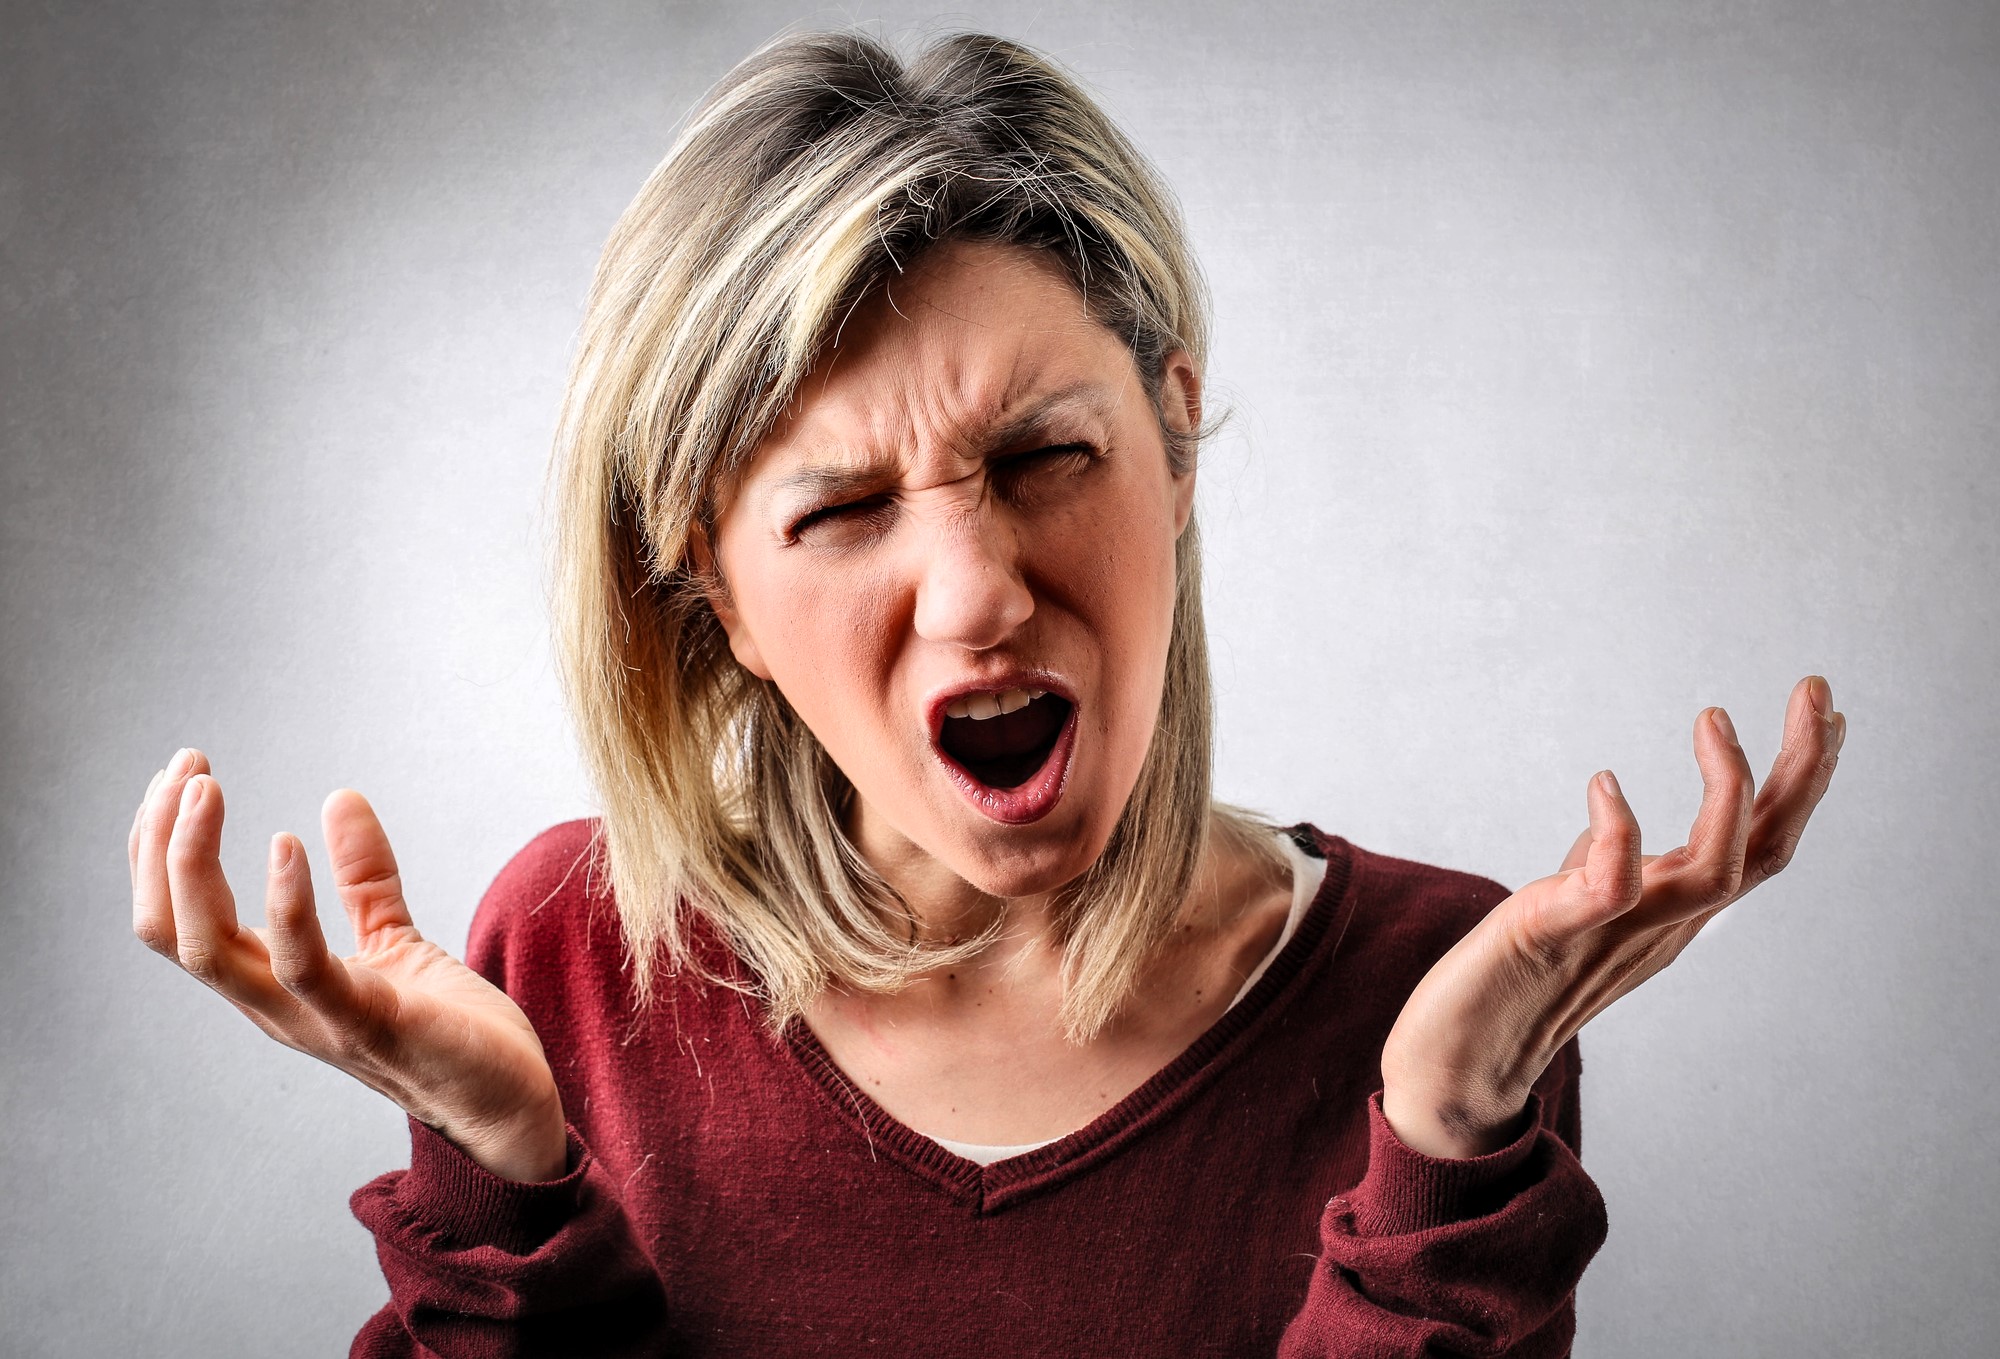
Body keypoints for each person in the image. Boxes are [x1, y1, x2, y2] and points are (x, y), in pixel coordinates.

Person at [126, 29, 1845, 1358]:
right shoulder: (580, 954)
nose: (977, 590)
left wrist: (1447, 1143)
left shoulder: (1439, 997)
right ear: (710, 584)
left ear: (1173, 442)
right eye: (844, 509)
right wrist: (500, 1175)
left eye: (1043, 456)